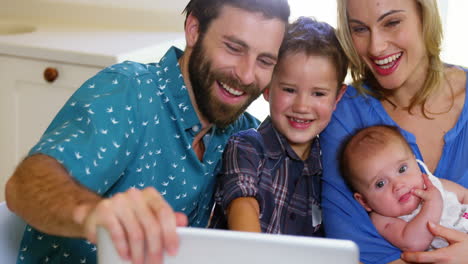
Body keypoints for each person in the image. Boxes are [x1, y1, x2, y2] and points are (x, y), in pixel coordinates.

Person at [4, 0, 290, 263]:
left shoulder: (243, 134)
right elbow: (25, 186)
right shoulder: (128, 92)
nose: (247, 74)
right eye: (233, 48)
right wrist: (91, 212)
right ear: (194, 30)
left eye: (265, 61)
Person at [320, 0, 468, 263]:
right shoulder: (342, 115)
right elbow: (357, 254)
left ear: (425, 17)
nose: (376, 46)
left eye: (392, 22)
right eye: (360, 29)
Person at [209, 16, 348, 235]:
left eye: (318, 93)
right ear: (267, 87)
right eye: (289, 90)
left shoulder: (328, 168)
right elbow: (243, 210)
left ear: (337, 97)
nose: (302, 106)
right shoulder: (247, 147)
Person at [340, 125, 468, 251]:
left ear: (415, 163)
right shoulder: (384, 220)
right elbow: (414, 243)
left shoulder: (431, 185)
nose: (398, 185)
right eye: (380, 183)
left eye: (402, 169)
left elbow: (464, 195)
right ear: (364, 201)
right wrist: (433, 204)